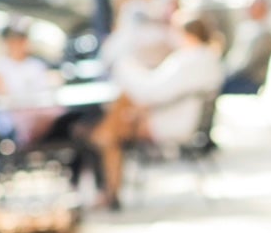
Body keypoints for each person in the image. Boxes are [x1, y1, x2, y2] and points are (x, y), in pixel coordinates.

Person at [89, 16, 222, 208]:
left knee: (112, 131)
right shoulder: (204, 58)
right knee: (119, 116)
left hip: (174, 124)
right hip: (179, 118)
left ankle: (109, 191)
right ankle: (108, 185)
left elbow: (152, 92)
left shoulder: (190, 60)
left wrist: (126, 67)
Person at [0, 21, 65, 148]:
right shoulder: (1, 67)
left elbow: (47, 91)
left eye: (21, 40)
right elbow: (2, 97)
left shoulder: (37, 65)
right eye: (13, 41)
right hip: (15, 115)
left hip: (40, 110)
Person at [221, 0, 271, 95]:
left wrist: (228, 74)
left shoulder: (265, 34)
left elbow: (249, 64)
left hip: (250, 80)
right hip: (236, 74)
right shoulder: (246, 28)